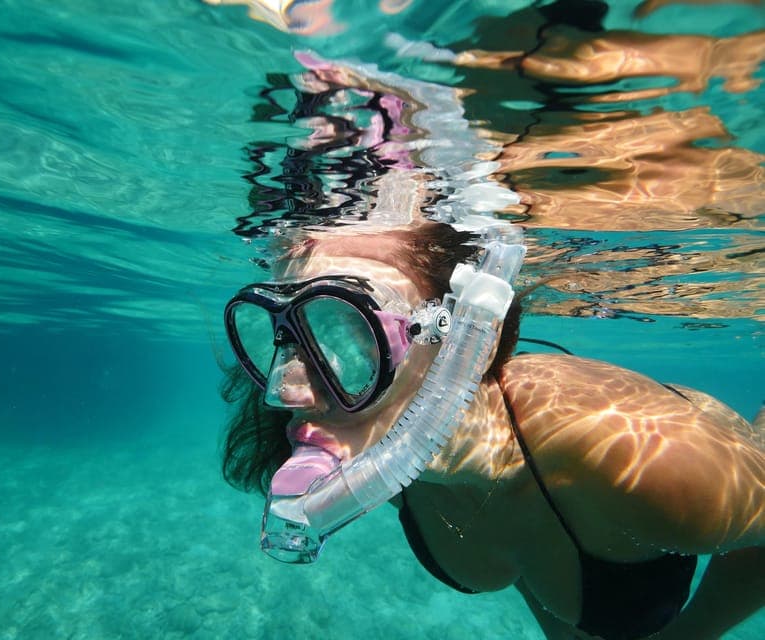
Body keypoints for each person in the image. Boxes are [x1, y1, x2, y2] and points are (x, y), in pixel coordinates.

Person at [220, 220, 764, 640]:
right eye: (287, 334)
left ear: (469, 339)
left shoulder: (641, 464)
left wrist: (695, 634)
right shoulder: (383, 449)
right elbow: (533, 564)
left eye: (347, 331)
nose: (282, 390)